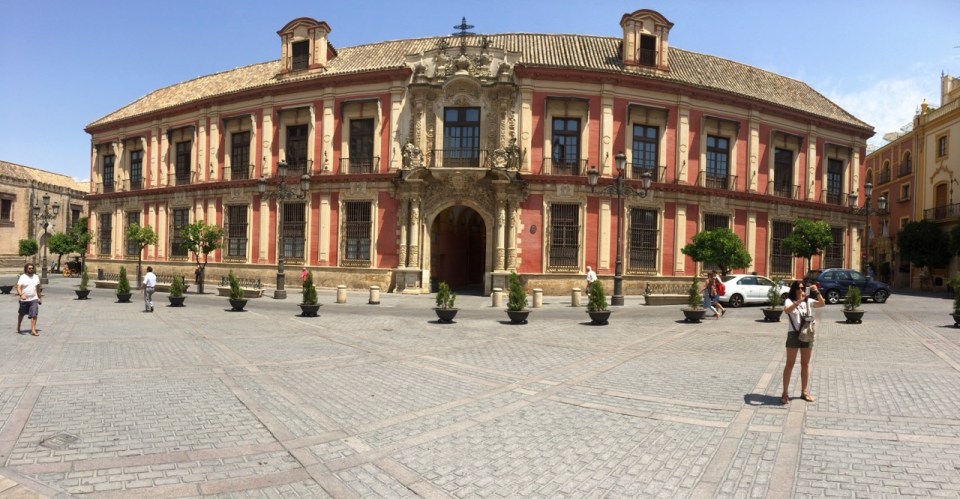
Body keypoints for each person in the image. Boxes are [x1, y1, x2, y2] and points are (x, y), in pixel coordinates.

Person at [781, 280, 825, 405]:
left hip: (807, 334)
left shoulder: (809, 301)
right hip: (793, 335)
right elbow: (787, 310)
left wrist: (816, 292)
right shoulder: (789, 301)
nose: (801, 290)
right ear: (794, 289)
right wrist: (799, 302)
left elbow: (822, 304)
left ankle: (804, 391)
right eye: (798, 288)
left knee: (805, 364)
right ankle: (785, 393)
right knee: (790, 363)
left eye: (802, 288)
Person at [16, 263, 42, 336]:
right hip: (24, 299)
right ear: (26, 269)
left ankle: (33, 330)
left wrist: (39, 298)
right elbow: (18, 287)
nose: (31, 269)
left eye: (32, 268)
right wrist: (21, 294)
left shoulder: (36, 277)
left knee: (34, 314)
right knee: (21, 314)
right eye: (29, 268)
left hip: (34, 298)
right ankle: (18, 326)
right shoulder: (22, 277)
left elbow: (38, 288)